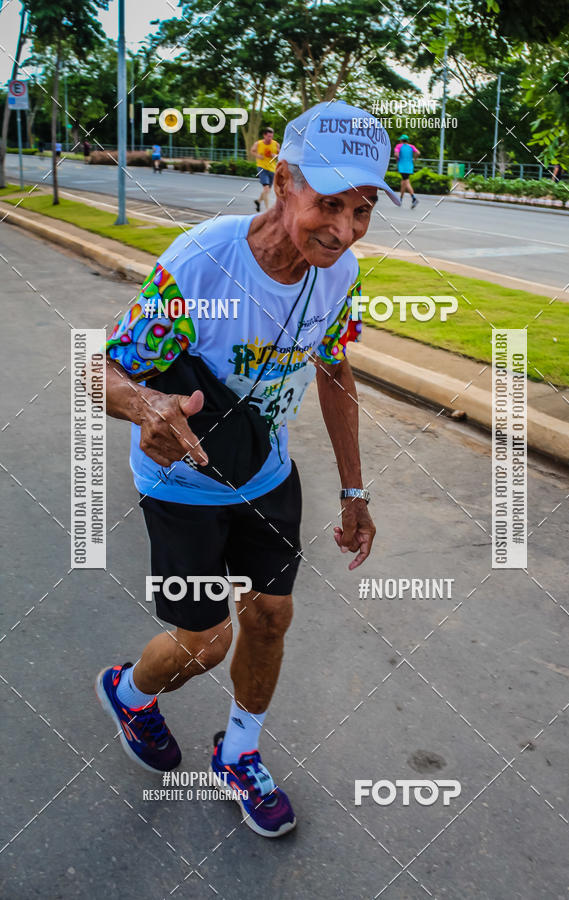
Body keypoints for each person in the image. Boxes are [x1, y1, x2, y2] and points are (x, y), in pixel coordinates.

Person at [97, 100, 400, 838]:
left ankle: (239, 753)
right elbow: (99, 368)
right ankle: (132, 692)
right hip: (182, 483)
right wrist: (145, 407)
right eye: (329, 205)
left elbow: (333, 371)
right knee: (206, 643)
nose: (345, 230)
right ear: (282, 179)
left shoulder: (341, 272)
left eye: (362, 210)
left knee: (268, 618)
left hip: (266, 473)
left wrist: (355, 491)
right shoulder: (202, 262)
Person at [250, 127, 280, 211]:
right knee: (266, 189)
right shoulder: (258, 144)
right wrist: (257, 155)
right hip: (262, 167)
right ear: (264, 135)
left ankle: (258, 201)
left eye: (271, 136)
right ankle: (267, 210)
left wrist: (275, 156)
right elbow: (252, 151)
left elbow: (281, 155)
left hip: (272, 169)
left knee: (267, 190)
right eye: (268, 136)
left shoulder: (276, 144)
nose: (270, 138)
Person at [394, 134, 420, 207]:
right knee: (403, 182)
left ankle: (414, 198)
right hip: (409, 166)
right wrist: (414, 159)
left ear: (401, 140)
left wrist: (397, 160)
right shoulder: (411, 146)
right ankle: (400, 200)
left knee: (406, 181)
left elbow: (396, 154)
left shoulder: (398, 146)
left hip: (402, 166)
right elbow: (418, 153)